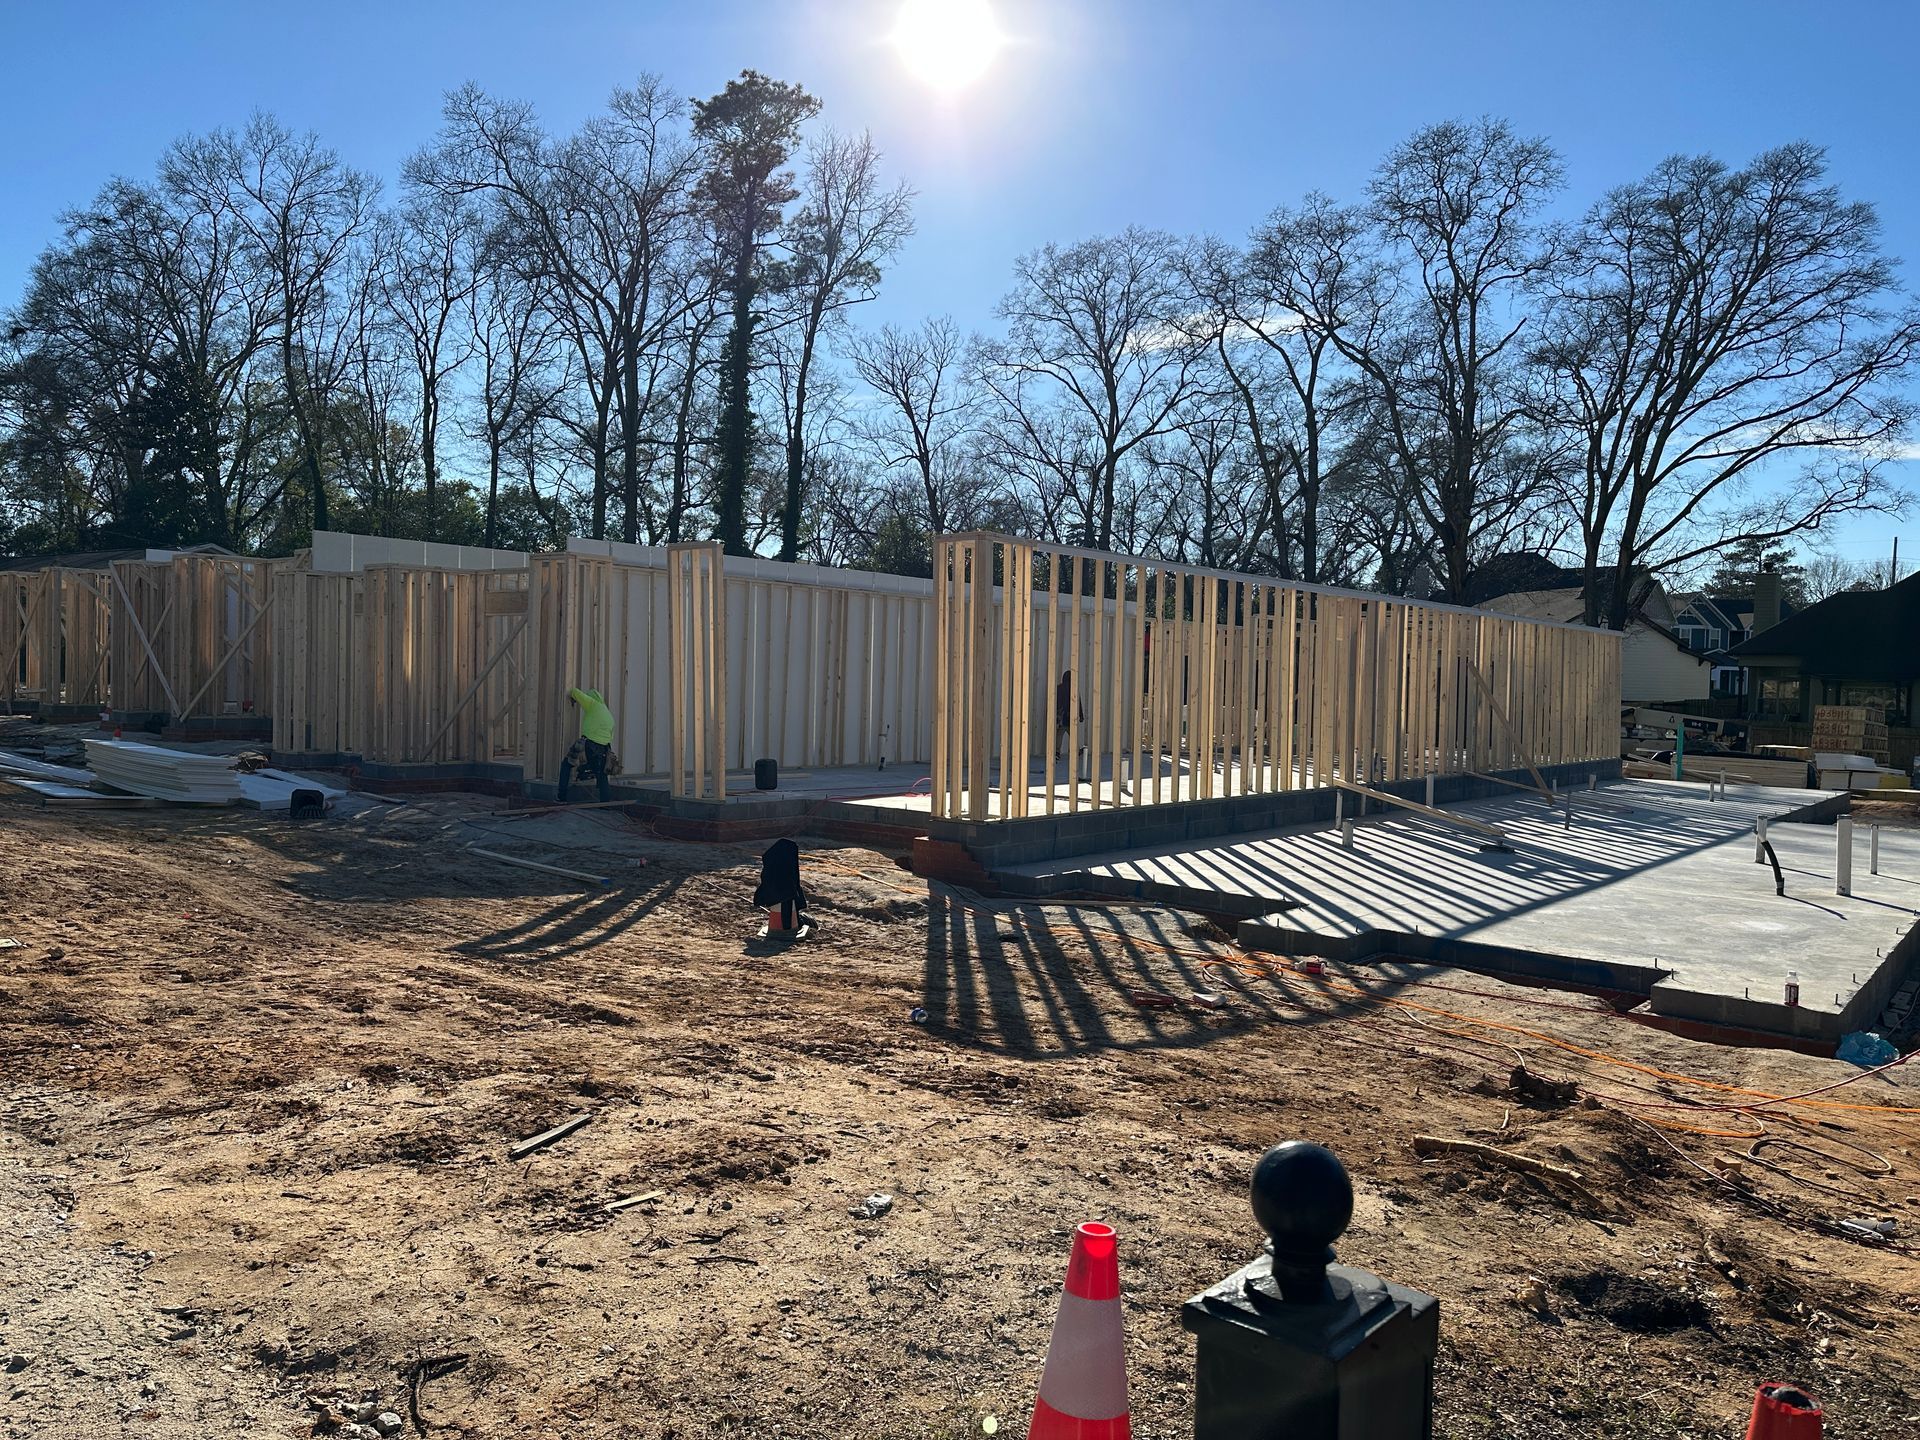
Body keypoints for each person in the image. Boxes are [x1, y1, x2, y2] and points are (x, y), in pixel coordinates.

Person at [559, 685, 614, 803]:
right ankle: (606, 804)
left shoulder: (593, 704)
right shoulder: (607, 713)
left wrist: (574, 697)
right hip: (604, 748)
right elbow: (611, 735)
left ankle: (561, 797)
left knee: (566, 764)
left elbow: (575, 692)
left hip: (588, 744)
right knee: (602, 775)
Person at [1053, 669, 1083, 760]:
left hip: (1062, 716)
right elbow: (1079, 703)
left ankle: (1057, 752)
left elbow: (1056, 702)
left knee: (1060, 734)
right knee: (1073, 735)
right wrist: (1081, 715)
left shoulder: (1059, 688)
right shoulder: (1074, 689)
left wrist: (1056, 714)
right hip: (1071, 716)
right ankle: (1076, 751)